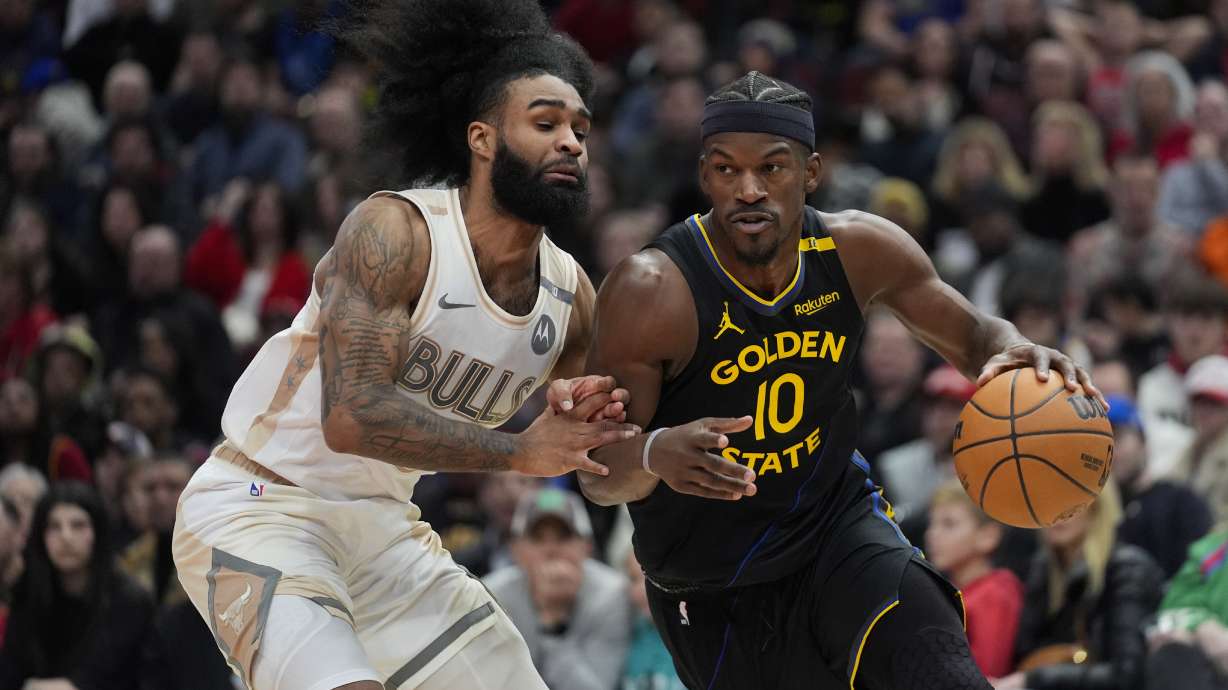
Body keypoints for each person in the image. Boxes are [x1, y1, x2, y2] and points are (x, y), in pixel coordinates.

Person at [579, 71, 1104, 690]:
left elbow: (976, 338)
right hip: (714, 585)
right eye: (726, 170)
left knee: (945, 672)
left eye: (771, 168)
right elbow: (597, 471)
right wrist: (652, 453)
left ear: (811, 173)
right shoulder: (652, 290)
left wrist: (1019, 349)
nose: (747, 189)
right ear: (704, 176)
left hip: (840, 535)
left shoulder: (860, 250)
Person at [171, 2, 639, 689]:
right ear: (482, 139)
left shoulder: (571, 301)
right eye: (546, 123)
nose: (572, 142)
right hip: (261, 505)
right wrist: (520, 451)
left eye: (580, 128)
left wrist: (666, 454)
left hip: (386, 530)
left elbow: (606, 463)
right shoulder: (397, 233)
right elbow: (353, 418)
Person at [1003, 483, 1163, 690]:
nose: (1058, 511)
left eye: (1070, 500)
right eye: (1047, 500)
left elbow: (1127, 675)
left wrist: (1034, 679)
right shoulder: (1043, 572)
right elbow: (1025, 656)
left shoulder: (1127, 568)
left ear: (1098, 508)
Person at [0, 482, 153, 690]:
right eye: (54, 527)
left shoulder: (129, 600)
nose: (66, 537)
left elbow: (90, 681)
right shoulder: (29, 593)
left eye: (78, 525)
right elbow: (10, 673)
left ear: (97, 533)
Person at [484, 488, 631, 690]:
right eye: (537, 539)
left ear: (586, 546)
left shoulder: (610, 593)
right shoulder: (493, 595)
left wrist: (553, 625)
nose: (551, 550)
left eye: (563, 537)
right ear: (515, 549)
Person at [925, 481, 1024, 679]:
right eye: (932, 524)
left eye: (949, 524)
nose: (932, 534)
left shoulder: (995, 591)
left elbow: (987, 672)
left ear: (988, 536)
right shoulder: (953, 592)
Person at [1109, 394, 1213, 578]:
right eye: (1102, 444)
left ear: (1142, 442)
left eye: (1117, 438)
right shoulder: (1094, 512)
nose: (1112, 452)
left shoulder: (1180, 502)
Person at [1146, 529, 1228, 690]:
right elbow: (1169, 614)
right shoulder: (1213, 552)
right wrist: (1201, 625)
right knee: (1172, 655)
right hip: (1209, 669)